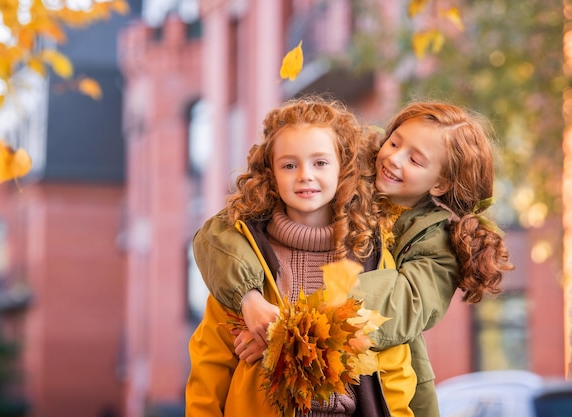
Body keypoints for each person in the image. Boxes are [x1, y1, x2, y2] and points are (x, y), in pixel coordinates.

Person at [192, 100, 514, 417]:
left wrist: (285, 336)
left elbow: (395, 308)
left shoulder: (430, 245)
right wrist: (249, 298)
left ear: (441, 182)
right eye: (394, 141)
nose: (392, 158)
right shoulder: (347, 191)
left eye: (415, 159)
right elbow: (217, 237)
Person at [186, 95, 417, 417]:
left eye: (320, 163)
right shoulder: (244, 256)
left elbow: (394, 365)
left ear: (344, 168)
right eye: (290, 165)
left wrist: (279, 340)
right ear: (271, 173)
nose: (305, 175)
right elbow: (210, 362)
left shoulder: (369, 255)